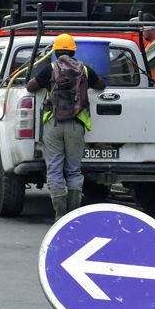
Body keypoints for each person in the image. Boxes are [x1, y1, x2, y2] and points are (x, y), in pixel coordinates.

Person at [25, 33, 106, 218]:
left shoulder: (49, 69)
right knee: (73, 170)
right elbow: (101, 85)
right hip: (76, 124)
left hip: (53, 124)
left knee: (54, 168)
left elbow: (30, 87)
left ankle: (59, 215)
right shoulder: (84, 70)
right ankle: (72, 215)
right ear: (74, 51)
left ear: (55, 51)